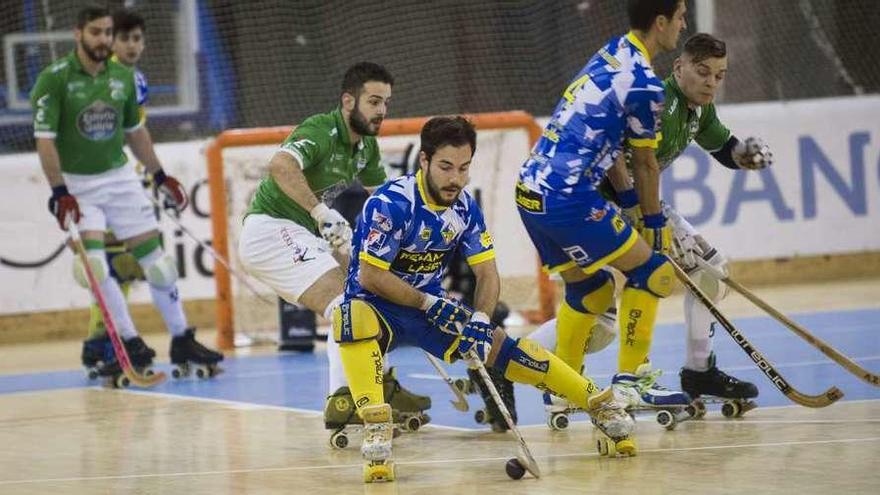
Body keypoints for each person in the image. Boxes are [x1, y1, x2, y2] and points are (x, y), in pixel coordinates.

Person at [334, 116, 635, 483]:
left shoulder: (464, 210)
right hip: (378, 303)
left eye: (463, 168)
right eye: (445, 167)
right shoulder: (390, 203)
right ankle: (376, 426)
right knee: (350, 316)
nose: (455, 179)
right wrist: (428, 303)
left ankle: (598, 403)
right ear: (424, 161)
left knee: (499, 345)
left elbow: (488, 274)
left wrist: (479, 319)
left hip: (430, 306)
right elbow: (371, 275)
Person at [515, 0, 691, 414]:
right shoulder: (646, 85)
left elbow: (607, 141)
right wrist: (653, 222)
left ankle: (565, 386)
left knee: (590, 290)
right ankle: (631, 383)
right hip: (567, 197)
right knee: (654, 273)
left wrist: (627, 199)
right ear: (660, 21)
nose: (683, 27)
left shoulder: (611, 53)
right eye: (680, 17)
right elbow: (646, 163)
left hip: (529, 192)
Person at [31, 6, 222, 383]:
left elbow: (135, 132)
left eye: (107, 32)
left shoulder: (123, 77)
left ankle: (182, 338)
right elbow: (45, 140)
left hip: (119, 178)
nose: (103, 40)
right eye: (96, 33)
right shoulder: (54, 79)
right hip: (78, 184)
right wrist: (59, 191)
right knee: (98, 266)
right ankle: (130, 343)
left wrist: (160, 175)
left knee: (159, 264)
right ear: (78, 34)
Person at [237, 62, 430, 432]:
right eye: (374, 102)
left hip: (304, 234)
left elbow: (385, 203)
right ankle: (344, 399)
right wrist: (320, 211)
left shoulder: (367, 148)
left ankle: (381, 384)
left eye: (386, 103)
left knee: (367, 296)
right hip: (270, 231)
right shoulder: (321, 130)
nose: (382, 111)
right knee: (346, 306)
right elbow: (279, 165)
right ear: (348, 101)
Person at [606, 33, 767, 401]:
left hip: (641, 201)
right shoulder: (659, 103)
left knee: (710, 274)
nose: (711, 83)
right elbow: (611, 151)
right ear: (679, 68)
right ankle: (634, 377)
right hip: (607, 200)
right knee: (599, 307)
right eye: (703, 72)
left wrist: (747, 155)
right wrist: (638, 210)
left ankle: (699, 373)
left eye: (719, 76)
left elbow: (725, 151)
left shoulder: (700, 108)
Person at [80, 8, 155, 379]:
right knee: (110, 264)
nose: (131, 45)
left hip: (124, 181)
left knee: (121, 265)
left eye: (137, 39)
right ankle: (104, 343)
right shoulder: (101, 76)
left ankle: (99, 344)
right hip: (100, 182)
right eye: (124, 38)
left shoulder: (133, 79)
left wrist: (150, 171)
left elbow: (135, 130)